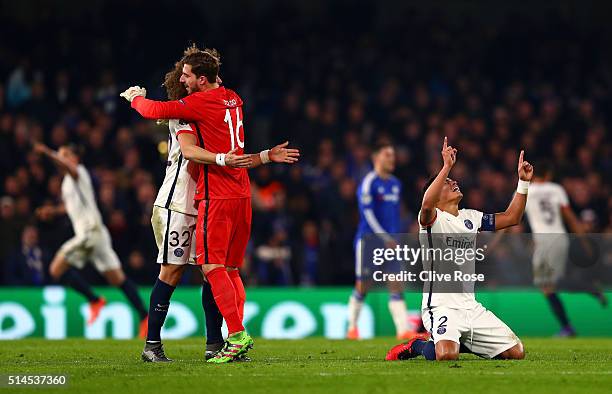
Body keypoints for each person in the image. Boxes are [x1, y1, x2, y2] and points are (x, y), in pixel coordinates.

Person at [120, 45, 299, 363]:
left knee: (213, 270)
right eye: (183, 78)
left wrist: (258, 156)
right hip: (178, 203)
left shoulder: (198, 107)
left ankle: (218, 341)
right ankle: (153, 344)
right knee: (175, 271)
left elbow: (167, 115)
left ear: (200, 81)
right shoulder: (200, 109)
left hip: (210, 198)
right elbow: (189, 150)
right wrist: (252, 157)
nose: (184, 81)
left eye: (189, 76)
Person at [386, 137, 529, 361]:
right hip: (441, 306)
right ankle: (418, 346)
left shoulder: (472, 217)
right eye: (447, 182)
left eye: (453, 180)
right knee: (446, 356)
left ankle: (458, 340)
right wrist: (446, 167)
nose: (453, 183)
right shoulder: (432, 219)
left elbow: (512, 218)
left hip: (470, 306)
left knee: (516, 353)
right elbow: (426, 204)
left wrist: (523, 182)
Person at [33, 143, 149, 336]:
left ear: (74, 158)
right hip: (97, 234)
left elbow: (68, 168)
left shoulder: (78, 171)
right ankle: (144, 316)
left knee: (55, 269)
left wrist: (46, 152)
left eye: (64, 155)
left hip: (88, 233)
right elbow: (70, 207)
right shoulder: (67, 182)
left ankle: (94, 300)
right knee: (118, 279)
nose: (60, 159)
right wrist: (52, 210)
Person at [524, 161, 607, 337]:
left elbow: (513, 217)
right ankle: (589, 291)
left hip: (544, 241)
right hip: (560, 238)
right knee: (552, 284)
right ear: (549, 175)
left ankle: (568, 326)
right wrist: (584, 241)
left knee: (547, 286)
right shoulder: (556, 189)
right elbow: (570, 217)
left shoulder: (526, 190)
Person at [347, 142, 416, 340]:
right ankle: (352, 327)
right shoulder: (369, 183)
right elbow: (367, 214)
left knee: (396, 283)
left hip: (391, 243)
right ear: (376, 158)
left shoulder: (396, 184)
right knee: (363, 285)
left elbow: (396, 213)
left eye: (393, 155)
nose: (391, 159)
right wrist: (385, 237)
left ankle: (402, 329)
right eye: (387, 155)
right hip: (369, 241)